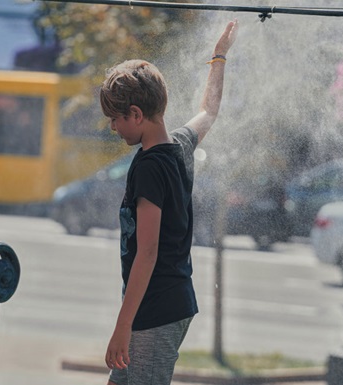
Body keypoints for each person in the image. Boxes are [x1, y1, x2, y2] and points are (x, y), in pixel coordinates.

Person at [100, 19, 238, 385]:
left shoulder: (149, 167)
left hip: (154, 312)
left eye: (115, 119)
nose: (114, 128)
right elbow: (209, 110)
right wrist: (219, 56)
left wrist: (122, 326)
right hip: (166, 303)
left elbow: (147, 253)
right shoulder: (179, 146)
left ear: (136, 115)